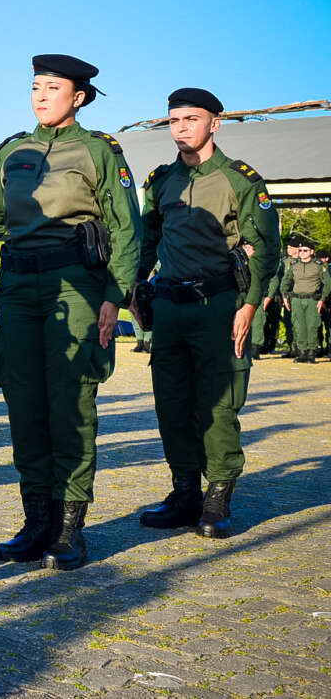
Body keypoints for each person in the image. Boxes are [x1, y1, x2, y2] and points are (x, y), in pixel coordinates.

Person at [0, 54, 140, 573]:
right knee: (23, 402)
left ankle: (69, 528)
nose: (41, 96)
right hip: (19, 286)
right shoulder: (12, 151)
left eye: (52, 88)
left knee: (70, 403)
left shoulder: (98, 151)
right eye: (35, 87)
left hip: (76, 284)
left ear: (78, 97)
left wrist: (114, 295)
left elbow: (126, 227)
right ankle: (36, 520)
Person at [132, 88, 279, 540]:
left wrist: (249, 304)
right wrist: (134, 288)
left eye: (191, 119)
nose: (181, 128)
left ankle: (217, 498)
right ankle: (185, 494)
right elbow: (148, 241)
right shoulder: (161, 181)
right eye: (174, 120)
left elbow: (266, 250)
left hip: (219, 306)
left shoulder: (240, 180)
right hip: (168, 308)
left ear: (215, 123)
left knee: (218, 405)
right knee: (172, 406)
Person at [280, 234, 330, 362]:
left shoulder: (319, 265)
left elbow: (327, 284)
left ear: (312, 252)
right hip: (296, 300)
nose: (302, 253)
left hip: (312, 300)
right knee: (299, 326)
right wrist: (285, 296)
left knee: (312, 326)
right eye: (300, 250)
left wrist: (322, 299)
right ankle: (302, 352)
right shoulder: (294, 265)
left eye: (305, 250)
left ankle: (311, 352)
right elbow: (286, 281)